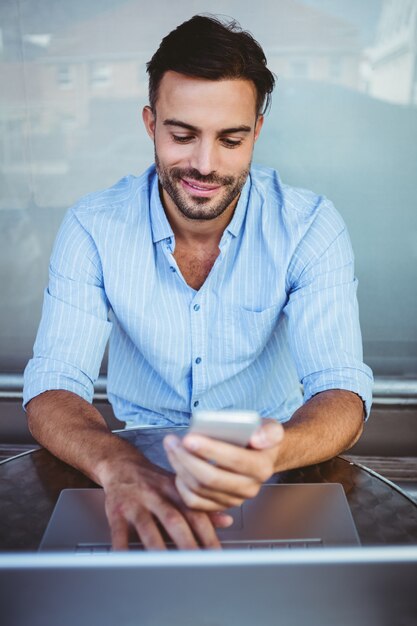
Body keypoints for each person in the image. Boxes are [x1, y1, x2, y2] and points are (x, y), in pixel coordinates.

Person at [23, 15, 373, 550]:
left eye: (230, 139)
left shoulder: (309, 227)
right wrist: (116, 465)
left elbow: (341, 391)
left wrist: (272, 453)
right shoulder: (92, 226)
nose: (204, 165)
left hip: (277, 470)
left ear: (256, 131)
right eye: (182, 135)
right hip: (129, 470)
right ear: (151, 124)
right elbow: (52, 386)